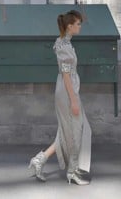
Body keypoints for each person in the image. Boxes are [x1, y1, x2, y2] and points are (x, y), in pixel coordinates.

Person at [27, 10, 91, 184]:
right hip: (67, 91)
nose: (80, 26)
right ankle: (72, 172)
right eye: (78, 23)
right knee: (75, 131)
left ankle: (39, 160)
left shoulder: (65, 43)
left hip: (69, 90)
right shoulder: (63, 45)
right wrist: (74, 100)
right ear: (70, 26)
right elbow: (66, 75)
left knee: (68, 131)